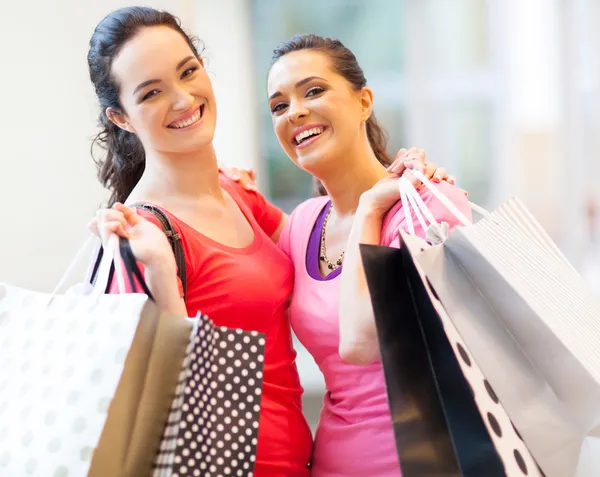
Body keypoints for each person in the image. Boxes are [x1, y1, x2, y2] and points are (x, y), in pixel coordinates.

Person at [87, 7, 457, 476]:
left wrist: (406, 181)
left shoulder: (239, 196)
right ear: (121, 117)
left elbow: (323, 248)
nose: (182, 100)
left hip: (304, 463)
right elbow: (151, 399)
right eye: (152, 92)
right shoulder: (136, 236)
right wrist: (160, 274)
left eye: (187, 72)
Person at [267, 34, 472, 476]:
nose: (295, 111)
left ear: (364, 102)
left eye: (314, 90)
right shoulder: (302, 224)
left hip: (427, 463)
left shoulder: (429, 208)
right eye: (278, 106)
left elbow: (359, 342)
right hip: (331, 463)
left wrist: (369, 208)